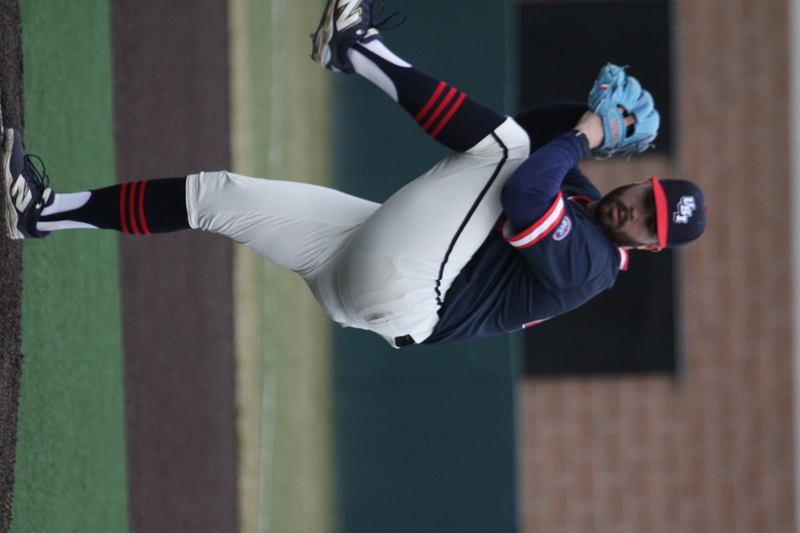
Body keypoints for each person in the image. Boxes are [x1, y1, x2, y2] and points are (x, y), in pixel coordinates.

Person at [2, 0, 705, 348]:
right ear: (642, 182)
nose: (637, 212)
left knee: (513, 157)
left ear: (649, 247)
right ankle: (40, 212)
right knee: (217, 195)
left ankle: (355, 51)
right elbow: (526, 131)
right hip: (365, 270)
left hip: (409, 292)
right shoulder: (583, 195)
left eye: (650, 223)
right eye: (647, 198)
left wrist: (588, 134)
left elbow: (523, 185)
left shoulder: (592, 267)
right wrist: (590, 119)